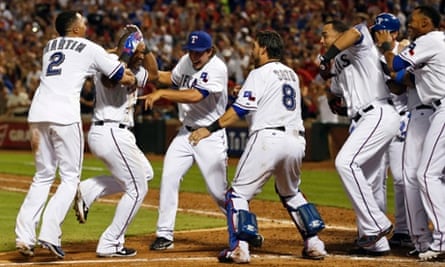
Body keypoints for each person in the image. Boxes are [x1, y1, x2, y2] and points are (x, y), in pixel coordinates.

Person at [189, 30, 327, 263]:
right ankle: (314, 243)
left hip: (268, 138)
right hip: (296, 140)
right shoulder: (291, 74)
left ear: (263, 48)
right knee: (291, 192)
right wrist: (242, 92)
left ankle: (239, 248)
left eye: (254, 46)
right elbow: (268, 99)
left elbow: (239, 111)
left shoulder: (259, 72)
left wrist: (208, 129)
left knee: (237, 194)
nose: (252, 50)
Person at [14, 11, 136, 259]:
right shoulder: (90, 48)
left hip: (37, 114)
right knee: (70, 178)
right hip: (64, 116)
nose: (85, 25)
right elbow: (120, 76)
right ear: (76, 28)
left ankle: (24, 237)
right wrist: (127, 55)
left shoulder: (50, 45)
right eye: (83, 22)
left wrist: (111, 51)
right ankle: (49, 233)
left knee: (43, 176)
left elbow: (81, 58)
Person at [72, 26, 158, 257]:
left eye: (143, 51)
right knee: (138, 188)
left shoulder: (137, 69)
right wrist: (126, 53)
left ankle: (88, 189)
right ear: (127, 48)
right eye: (138, 50)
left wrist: (144, 47)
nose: (141, 55)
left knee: (146, 173)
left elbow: (157, 76)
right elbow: (110, 81)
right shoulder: (109, 61)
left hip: (121, 133)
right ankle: (111, 242)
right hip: (110, 130)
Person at [140, 30, 229, 251]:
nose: (193, 55)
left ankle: (245, 225)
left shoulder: (217, 68)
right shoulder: (186, 61)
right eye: (190, 51)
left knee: (218, 193)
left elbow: (195, 95)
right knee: (169, 177)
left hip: (209, 134)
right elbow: (168, 78)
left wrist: (162, 94)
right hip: (185, 133)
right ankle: (164, 234)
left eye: (199, 52)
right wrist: (144, 62)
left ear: (210, 51)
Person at [319, 19, 400, 256]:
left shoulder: (361, 42)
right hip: (363, 117)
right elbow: (335, 91)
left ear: (339, 34)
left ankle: (377, 225)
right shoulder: (342, 61)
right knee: (370, 181)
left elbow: (355, 32)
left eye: (326, 35)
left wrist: (326, 56)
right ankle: (376, 242)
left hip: (378, 113)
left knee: (345, 162)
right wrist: (334, 97)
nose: (322, 40)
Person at [375, 5, 445, 261]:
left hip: (441, 109)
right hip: (426, 111)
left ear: (426, 23)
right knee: (411, 176)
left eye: (414, 22)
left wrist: (385, 48)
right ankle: (422, 240)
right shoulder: (430, 44)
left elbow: (397, 63)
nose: (410, 26)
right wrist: (387, 69)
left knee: (427, 174)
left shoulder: (431, 40)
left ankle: (442, 240)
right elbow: (404, 82)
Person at [370, 12, 412, 248]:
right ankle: (377, 227)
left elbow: (400, 86)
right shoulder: (372, 53)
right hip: (376, 120)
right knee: (376, 179)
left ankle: (404, 230)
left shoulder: (405, 50)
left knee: (400, 177)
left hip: (401, 119)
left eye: (382, 30)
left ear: (394, 33)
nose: (377, 34)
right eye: (375, 31)